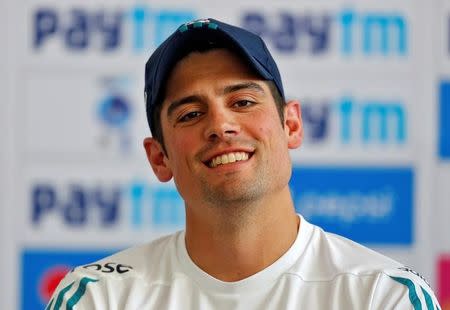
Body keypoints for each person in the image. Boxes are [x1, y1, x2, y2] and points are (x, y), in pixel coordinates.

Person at [47, 18, 440, 309]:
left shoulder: (383, 296)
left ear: (291, 124)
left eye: (243, 102)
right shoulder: (99, 298)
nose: (221, 125)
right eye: (190, 114)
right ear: (159, 158)